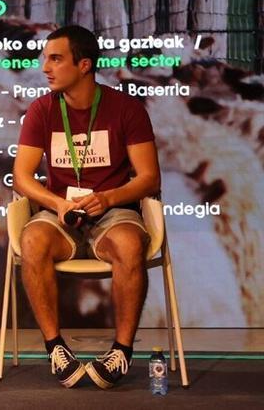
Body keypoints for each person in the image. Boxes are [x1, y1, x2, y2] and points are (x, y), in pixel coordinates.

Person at [13, 25, 160, 389]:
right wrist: (55, 202)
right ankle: (55, 347)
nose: (45, 67)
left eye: (56, 59)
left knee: (128, 244)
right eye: (45, 58)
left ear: (84, 65)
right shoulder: (42, 109)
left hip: (112, 211)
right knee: (32, 240)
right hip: (61, 211)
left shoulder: (126, 108)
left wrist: (108, 197)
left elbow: (148, 178)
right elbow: (22, 177)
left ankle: (121, 352)